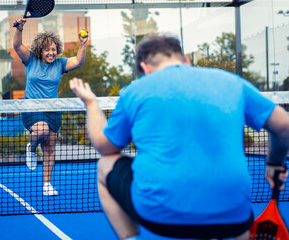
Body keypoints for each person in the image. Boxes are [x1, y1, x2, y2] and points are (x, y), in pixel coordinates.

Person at [69, 34, 289, 240]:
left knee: (105, 165)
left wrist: (91, 103)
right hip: (234, 218)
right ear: (185, 60)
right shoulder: (233, 82)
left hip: (158, 216)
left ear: (145, 68)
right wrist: (274, 163)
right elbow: (284, 126)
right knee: (238, 224)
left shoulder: (135, 90)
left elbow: (105, 147)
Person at [13, 15, 88, 196]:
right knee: (41, 130)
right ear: (40, 50)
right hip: (32, 107)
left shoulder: (60, 64)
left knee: (50, 147)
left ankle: (47, 184)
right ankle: (31, 148)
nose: (51, 53)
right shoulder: (31, 60)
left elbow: (78, 61)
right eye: (47, 50)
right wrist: (19, 28)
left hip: (52, 109)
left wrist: (83, 44)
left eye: (54, 49)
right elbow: (17, 45)